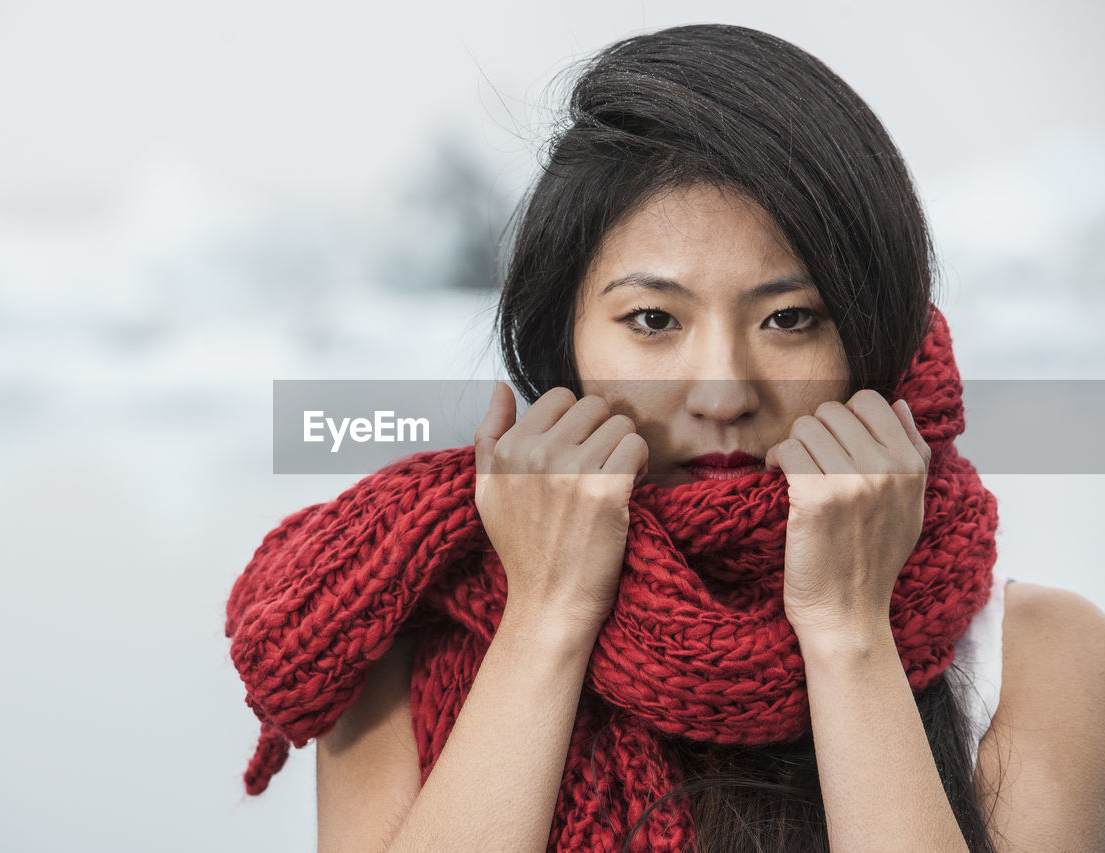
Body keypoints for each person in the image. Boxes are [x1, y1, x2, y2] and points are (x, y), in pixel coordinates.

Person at [309, 24, 1105, 852]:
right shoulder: (398, 640)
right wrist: (546, 614)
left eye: (790, 319)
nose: (724, 391)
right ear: (563, 347)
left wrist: (847, 628)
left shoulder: (1040, 658)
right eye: (653, 320)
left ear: (877, 338)